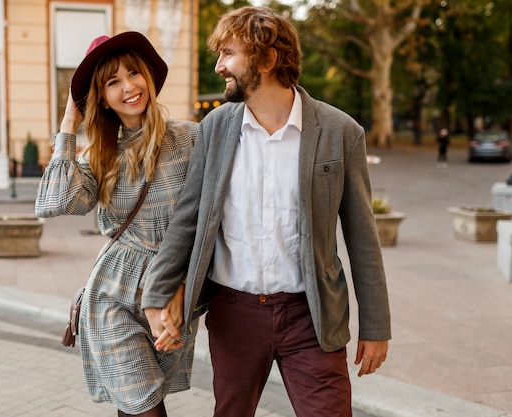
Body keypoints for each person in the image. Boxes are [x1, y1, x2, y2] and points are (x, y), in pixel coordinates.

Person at [142, 6, 391, 417]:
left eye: (228, 54)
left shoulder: (340, 131)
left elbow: (363, 235)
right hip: (234, 313)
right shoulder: (216, 128)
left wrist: (376, 325)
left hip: (311, 317)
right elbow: (188, 219)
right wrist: (157, 293)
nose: (220, 66)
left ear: (269, 58)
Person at [35, 32, 198, 417]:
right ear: (101, 97)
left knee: (135, 406)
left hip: (171, 291)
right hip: (112, 297)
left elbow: (207, 222)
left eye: (133, 74)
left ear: (148, 76)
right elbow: (54, 203)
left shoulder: (191, 138)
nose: (129, 87)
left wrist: (181, 288)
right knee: (145, 409)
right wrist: (69, 125)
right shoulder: (100, 157)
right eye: (112, 82)